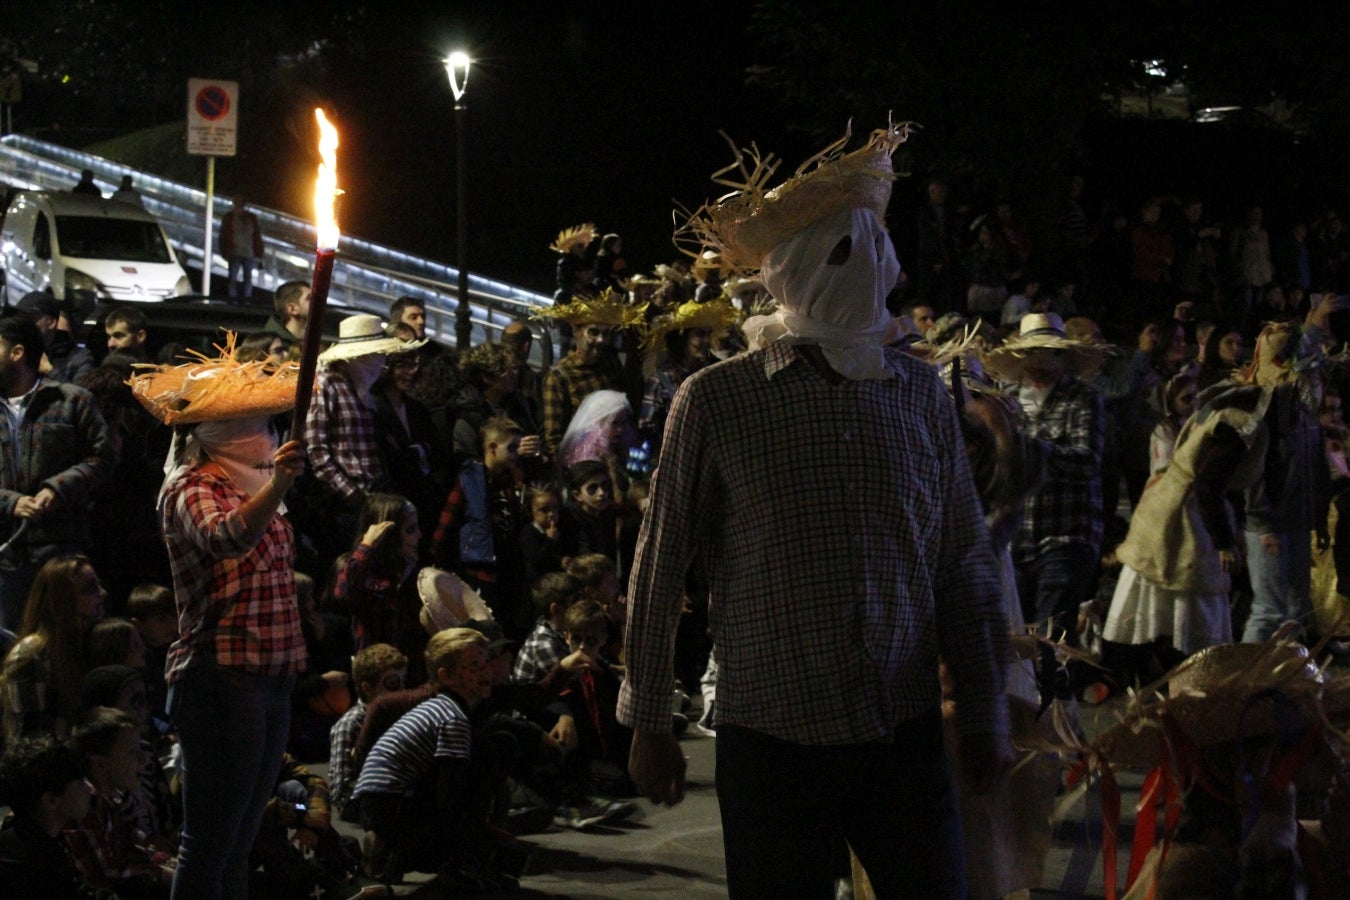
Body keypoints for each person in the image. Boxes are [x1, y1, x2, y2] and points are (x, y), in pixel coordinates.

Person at [623, 123, 1012, 898]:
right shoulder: (718, 398)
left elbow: (963, 568)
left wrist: (983, 711)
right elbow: (661, 563)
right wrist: (649, 720)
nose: (868, 267)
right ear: (796, 267)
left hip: (899, 731)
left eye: (875, 249)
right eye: (843, 252)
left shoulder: (919, 396)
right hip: (771, 737)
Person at [132, 339, 309, 899]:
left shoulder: (254, 483)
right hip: (221, 676)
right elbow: (226, 536)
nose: (266, 433)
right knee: (209, 843)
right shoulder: (192, 487)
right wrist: (279, 483)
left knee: (240, 840)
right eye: (251, 423)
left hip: (271, 675)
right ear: (218, 432)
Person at [985, 313, 1107, 650]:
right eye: (1032, 355)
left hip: (1067, 533)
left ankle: (1056, 684)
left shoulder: (1082, 397)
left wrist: (1025, 450)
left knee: (1051, 635)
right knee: (1018, 634)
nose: (1039, 365)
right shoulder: (1004, 401)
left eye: (1048, 354)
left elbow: (1087, 462)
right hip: (1016, 536)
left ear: (1062, 357)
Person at [351, 627, 507, 888]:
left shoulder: (440, 707)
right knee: (469, 782)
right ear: (446, 676)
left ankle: (392, 851)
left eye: (486, 662)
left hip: (377, 801)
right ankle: (402, 852)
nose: (486, 671)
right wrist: (476, 837)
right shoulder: (452, 718)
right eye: (474, 665)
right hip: (390, 805)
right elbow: (450, 790)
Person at [0, 315, 113, 631]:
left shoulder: (70, 400)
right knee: (11, 643)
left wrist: (58, 488)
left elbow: (103, 458)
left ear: (17, 352)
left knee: (65, 638)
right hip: (6, 553)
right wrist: (10, 502)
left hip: (62, 549)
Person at [302, 314, 425, 566]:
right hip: (345, 504)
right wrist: (353, 494)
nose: (381, 361)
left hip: (374, 496)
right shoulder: (326, 384)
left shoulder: (363, 388)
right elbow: (317, 451)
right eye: (376, 354)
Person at [66, 706, 174, 897]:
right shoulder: (86, 805)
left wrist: (165, 860)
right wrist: (164, 874)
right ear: (100, 764)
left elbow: (126, 848)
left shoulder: (112, 798)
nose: (144, 760)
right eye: (132, 752)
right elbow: (108, 872)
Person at [1, 554, 107, 742]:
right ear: (63, 599)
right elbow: (29, 738)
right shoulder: (30, 655)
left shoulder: (88, 643)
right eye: (90, 589)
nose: (102, 593)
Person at [0, 735, 112, 900]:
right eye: (81, 783)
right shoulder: (31, 864)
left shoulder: (36, 840)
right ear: (51, 801)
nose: (89, 789)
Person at [334, 493, 427, 687]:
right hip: (379, 677)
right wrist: (367, 546)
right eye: (410, 529)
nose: (419, 535)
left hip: (413, 673)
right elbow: (343, 593)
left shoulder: (412, 570)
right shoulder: (363, 570)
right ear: (390, 536)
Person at [535, 290, 638, 459]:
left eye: (606, 334)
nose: (601, 340)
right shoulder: (559, 376)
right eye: (594, 332)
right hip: (581, 464)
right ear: (576, 332)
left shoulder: (611, 364)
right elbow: (553, 440)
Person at [328, 643, 408, 821]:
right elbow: (341, 793)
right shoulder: (350, 724)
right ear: (367, 688)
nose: (402, 690)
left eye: (404, 681)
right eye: (393, 684)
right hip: (368, 806)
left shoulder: (403, 714)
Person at [17, 292, 94, 384]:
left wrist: (50, 371)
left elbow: (80, 392)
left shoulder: (79, 357)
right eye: (21, 318)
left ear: (51, 322)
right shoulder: (15, 347)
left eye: (31, 318)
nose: (24, 323)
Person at [219, 198, 264, 302]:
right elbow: (257, 236)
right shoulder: (250, 218)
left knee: (234, 278)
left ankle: (235, 300)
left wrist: (224, 250)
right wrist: (259, 253)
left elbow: (224, 235)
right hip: (244, 252)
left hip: (239, 252)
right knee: (244, 278)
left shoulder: (230, 217)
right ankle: (244, 300)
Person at [261, 280, 309, 350]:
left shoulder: (312, 342)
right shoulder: (275, 348)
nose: (316, 301)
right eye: (309, 298)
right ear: (292, 309)